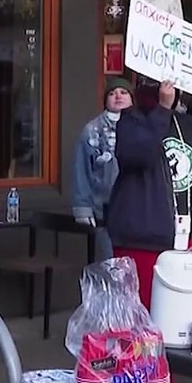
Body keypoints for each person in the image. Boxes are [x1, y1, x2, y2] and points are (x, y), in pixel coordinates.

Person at [109, 77, 192, 308]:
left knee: (179, 318)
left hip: (184, 237)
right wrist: (162, 110)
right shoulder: (131, 121)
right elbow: (138, 154)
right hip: (142, 239)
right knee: (142, 320)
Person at [71, 77, 133, 262]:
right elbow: (81, 170)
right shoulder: (92, 130)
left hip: (137, 212)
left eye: (123, 92)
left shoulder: (144, 127)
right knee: (113, 266)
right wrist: (82, 208)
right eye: (112, 93)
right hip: (105, 211)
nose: (118, 96)